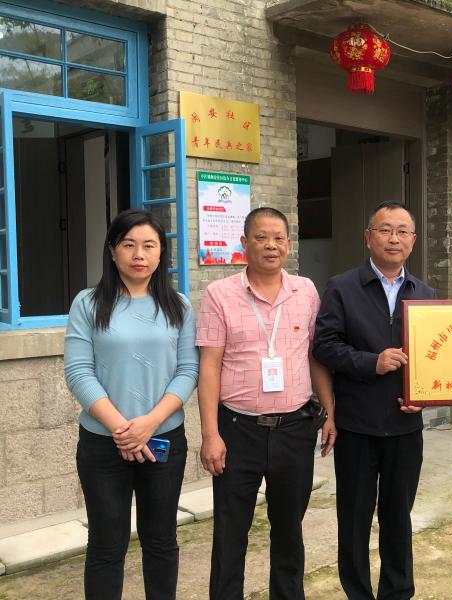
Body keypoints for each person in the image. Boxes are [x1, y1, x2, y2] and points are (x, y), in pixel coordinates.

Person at [196, 206, 335, 600]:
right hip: (237, 430)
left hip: (295, 428)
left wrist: (329, 411)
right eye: (261, 237)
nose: (270, 245)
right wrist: (210, 434)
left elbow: (315, 356)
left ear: (289, 244)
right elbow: (209, 366)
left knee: (289, 530)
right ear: (245, 243)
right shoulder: (220, 294)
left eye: (278, 238)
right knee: (230, 531)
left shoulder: (306, 291)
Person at [64, 209, 199, 600]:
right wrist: (122, 429)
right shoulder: (88, 304)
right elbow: (78, 372)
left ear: (161, 253)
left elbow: (188, 371)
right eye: (128, 245)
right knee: (106, 544)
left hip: (163, 439)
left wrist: (149, 423)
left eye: (149, 246)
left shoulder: (179, 306)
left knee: (161, 540)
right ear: (112, 250)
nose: (139, 254)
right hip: (103, 444)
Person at [313, 201, 435, 600]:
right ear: (368, 238)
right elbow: (324, 346)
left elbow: (435, 357)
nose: (393, 238)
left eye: (402, 231)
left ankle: (397, 592)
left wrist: (425, 398)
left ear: (413, 240)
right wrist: (372, 362)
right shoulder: (342, 287)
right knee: (354, 519)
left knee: (398, 519)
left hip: (405, 426)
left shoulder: (425, 294)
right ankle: (358, 593)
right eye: (385, 230)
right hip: (357, 426)